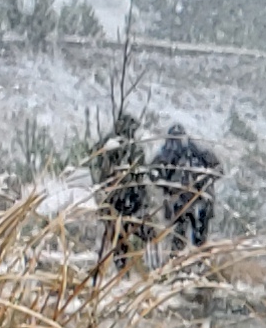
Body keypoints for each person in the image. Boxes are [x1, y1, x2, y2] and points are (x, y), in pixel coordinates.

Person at [91, 111, 154, 269]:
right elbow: (140, 173)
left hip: (117, 197)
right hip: (127, 198)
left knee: (119, 234)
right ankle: (142, 266)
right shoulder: (127, 147)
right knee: (137, 232)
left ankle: (123, 266)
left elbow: (97, 166)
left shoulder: (107, 145)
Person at [150, 120, 222, 255]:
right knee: (178, 237)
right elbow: (153, 172)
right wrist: (166, 185)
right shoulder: (166, 153)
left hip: (200, 199)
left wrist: (204, 180)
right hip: (178, 202)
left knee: (199, 238)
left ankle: (200, 263)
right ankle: (177, 264)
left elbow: (217, 169)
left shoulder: (196, 151)